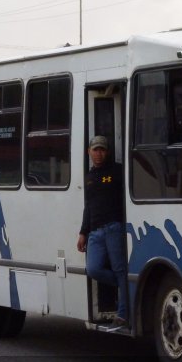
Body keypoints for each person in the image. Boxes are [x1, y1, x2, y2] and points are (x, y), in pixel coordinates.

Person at [76, 135, 128, 331]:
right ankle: (128, 289)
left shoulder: (117, 171)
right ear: (89, 151)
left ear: (107, 152)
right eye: (95, 149)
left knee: (120, 269)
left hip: (114, 228)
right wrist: (83, 232)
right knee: (93, 269)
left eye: (102, 150)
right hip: (95, 233)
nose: (98, 153)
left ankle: (122, 315)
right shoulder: (89, 177)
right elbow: (87, 207)